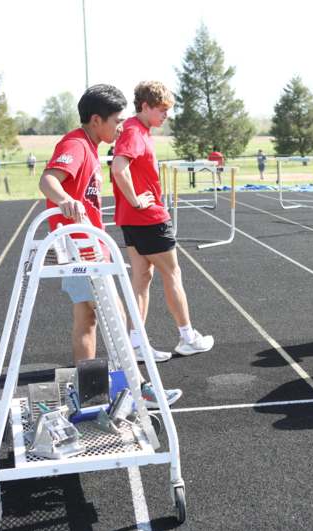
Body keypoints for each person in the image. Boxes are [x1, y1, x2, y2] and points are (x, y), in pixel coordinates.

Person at [39, 83, 181, 407]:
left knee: (86, 320)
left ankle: (88, 391)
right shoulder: (75, 145)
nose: (120, 127)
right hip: (81, 250)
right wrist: (64, 201)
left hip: (85, 248)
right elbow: (47, 179)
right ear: (95, 120)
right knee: (116, 317)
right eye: (116, 121)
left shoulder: (90, 148)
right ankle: (139, 389)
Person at [112, 80, 214, 362]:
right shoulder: (134, 132)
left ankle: (135, 344)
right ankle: (187, 337)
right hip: (147, 217)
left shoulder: (136, 129)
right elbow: (119, 169)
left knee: (142, 277)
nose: (166, 116)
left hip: (133, 219)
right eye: (162, 110)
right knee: (172, 274)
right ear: (145, 106)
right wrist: (136, 200)